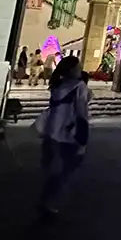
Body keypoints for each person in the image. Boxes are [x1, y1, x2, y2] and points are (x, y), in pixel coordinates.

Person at [37, 55, 91, 219]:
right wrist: (83, 136)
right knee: (67, 168)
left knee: (54, 168)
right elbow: (82, 113)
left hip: (50, 131)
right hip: (68, 133)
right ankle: (48, 201)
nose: (81, 69)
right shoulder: (79, 87)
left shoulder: (57, 85)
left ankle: (46, 201)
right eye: (79, 67)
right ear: (73, 70)